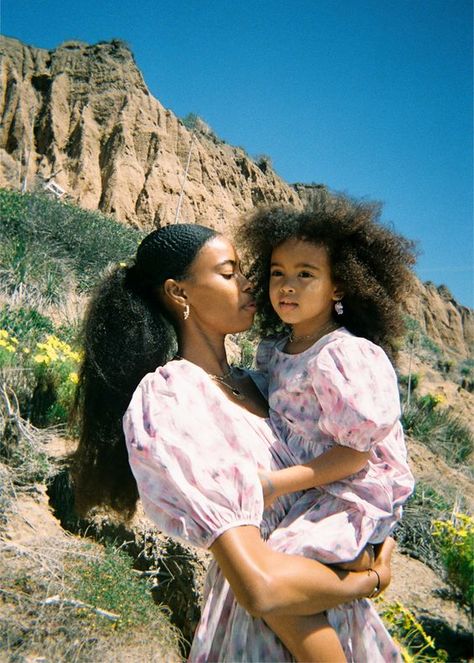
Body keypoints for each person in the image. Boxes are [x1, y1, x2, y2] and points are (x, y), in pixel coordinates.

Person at [73, 222, 396, 663]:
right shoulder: (173, 398)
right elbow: (259, 586)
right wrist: (368, 581)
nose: (251, 283)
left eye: (245, 271)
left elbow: (363, 457)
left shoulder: (266, 382)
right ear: (179, 293)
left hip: (338, 619)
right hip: (269, 637)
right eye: (228, 274)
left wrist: (379, 533)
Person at [236, 194, 417, 658]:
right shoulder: (277, 350)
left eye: (305, 274)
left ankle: (366, 577)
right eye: (278, 272)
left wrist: (275, 483)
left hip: (353, 486)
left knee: (276, 575)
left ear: (339, 287)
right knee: (264, 581)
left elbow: (357, 454)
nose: (287, 286)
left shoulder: (343, 354)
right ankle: (355, 569)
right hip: (317, 486)